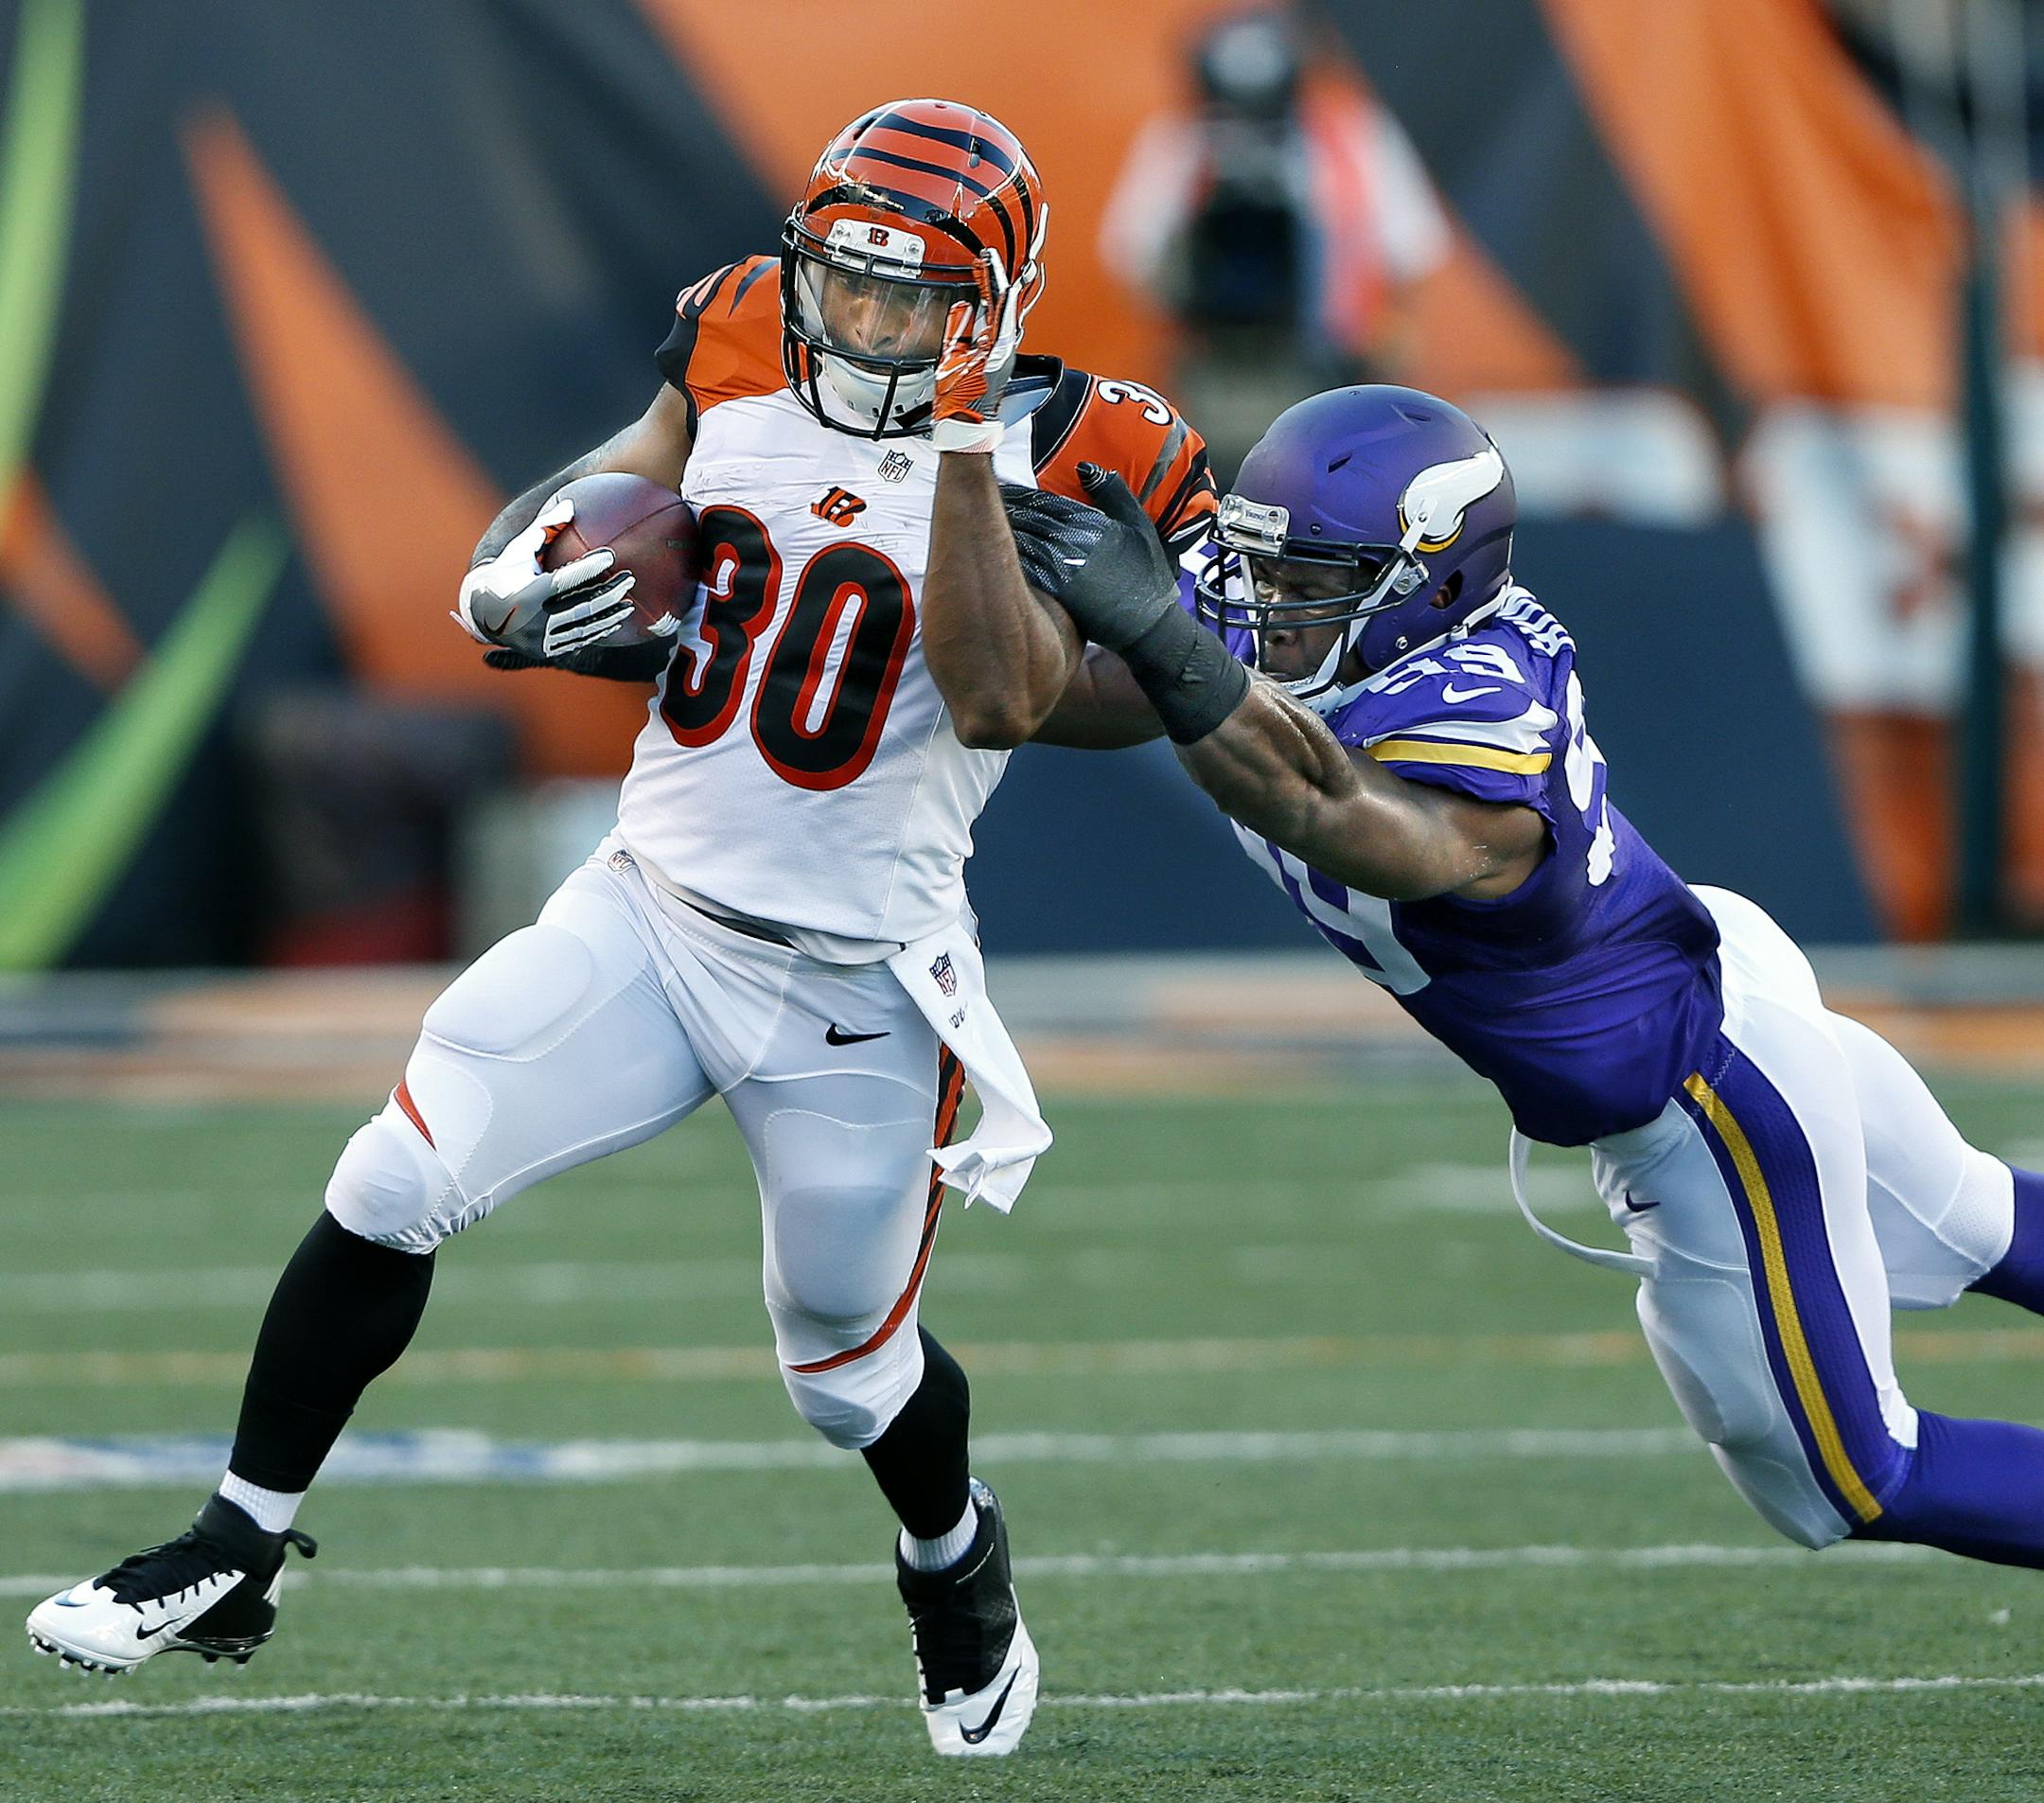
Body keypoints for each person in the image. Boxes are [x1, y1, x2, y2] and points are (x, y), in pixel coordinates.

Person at [24, 98, 1214, 1759]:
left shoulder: (1091, 448)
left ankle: (953, 1558)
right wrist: (528, 564)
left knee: (846, 1380)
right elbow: (620, 476)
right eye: (846, 284)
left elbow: (1033, 697)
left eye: (915, 296)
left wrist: (951, 446)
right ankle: (235, 1543)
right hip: (653, 912)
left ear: (994, 306)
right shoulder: (735, 322)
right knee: (391, 1178)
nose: (867, 323)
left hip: (857, 980)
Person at [999, 383, 2044, 1569]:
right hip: (1706, 975)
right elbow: (1061, 698)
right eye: (1264, 569)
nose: (1269, 604)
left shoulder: (1482, 716)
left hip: (1706, 1095)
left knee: (1853, 1477)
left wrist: (1166, 640)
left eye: (1312, 578)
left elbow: (1326, 803)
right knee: (1967, 1217)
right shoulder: (1328, 609)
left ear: (1432, 583)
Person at [1098, 8, 1450, 481]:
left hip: (1329, 374)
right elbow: (1133, 257)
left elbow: (1412, 253)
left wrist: (1382, 341)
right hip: (1213, 376)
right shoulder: (1179, 148)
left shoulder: (1356, 137)